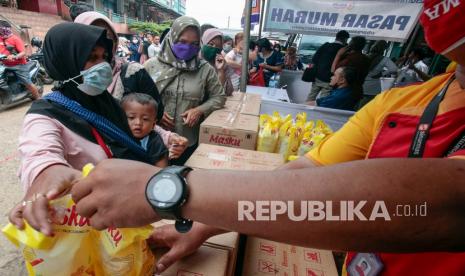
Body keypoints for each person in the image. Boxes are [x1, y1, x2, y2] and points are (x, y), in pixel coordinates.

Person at [49, 1, 465, 274]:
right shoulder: (406, 100)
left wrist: (168, 189)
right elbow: (303, 171)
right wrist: (206, 223)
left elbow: (442, 205)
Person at [9, 22, 164, 238]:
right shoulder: (45, 114)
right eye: (92, 58)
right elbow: (39, 153)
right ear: (66, 61)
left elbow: (132, 127)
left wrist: (169, 136)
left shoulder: (104, 101)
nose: (102, 66)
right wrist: (47, 170)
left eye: (103, 57)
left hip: (124, 213)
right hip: (88, 228)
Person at [74, 11, 187, 160]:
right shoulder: (63, 95)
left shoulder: (133, 73)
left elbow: (146, 116)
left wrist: (167, 137)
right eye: (92, 36)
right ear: (74, 45)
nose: (102, 42)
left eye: (107, 37)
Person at [144, 16, 226, 165]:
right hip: (154, 139)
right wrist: (156, 113)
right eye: (182, 42)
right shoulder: (151, 66)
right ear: (172, 38)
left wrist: (200, 109)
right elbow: (137, 99)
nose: (188, 48)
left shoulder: (204, 69)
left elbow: (219, 97)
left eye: (194, 44)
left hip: (187, 142)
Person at [121, 93, 169, 167]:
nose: (138, 123)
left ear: (153, 124)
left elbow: (161, 169)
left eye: (145, 119)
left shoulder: (154, 141)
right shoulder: (117, 134)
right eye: (131, 117)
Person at [0, 20, 41, 100]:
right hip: (4, 65)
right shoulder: (1, 39)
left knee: (27, 82)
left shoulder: (15, 39)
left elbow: (23, 53)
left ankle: (38, 99)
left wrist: (14, 57)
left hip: (19, 65)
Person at [307, 30, 350, 101]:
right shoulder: (343, 50)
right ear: (345, 39)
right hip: (330, 79)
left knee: (311, 97)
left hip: (318, 76)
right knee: (322, 101)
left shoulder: (325, 45)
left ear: (336, 37)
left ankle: (304, 111)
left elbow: (314, 59)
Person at [332, 36, 371, 102]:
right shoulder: (366, 59)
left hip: (343, 91)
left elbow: (333, 70)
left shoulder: (348, 59)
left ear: (350, 45)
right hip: (358, 91)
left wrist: (338, 55)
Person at [201, 28, 234, 96]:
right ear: (203, 42)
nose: (214, 48)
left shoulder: (222, 64)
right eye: (211, 44)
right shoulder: (194, 62)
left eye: (218, 46)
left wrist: (221, 71)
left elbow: (228, 91)